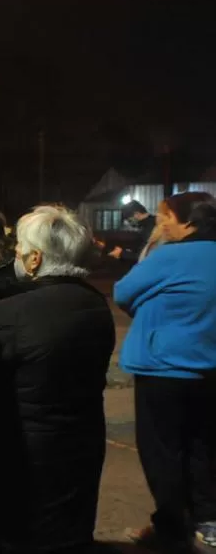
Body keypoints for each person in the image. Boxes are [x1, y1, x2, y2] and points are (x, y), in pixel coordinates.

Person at [0, 205, 115, 554]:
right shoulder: (94, 303)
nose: (14, 257)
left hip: (18, 458)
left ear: (35, 261)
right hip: (80, 444)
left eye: (19, 252)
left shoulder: (6, 315)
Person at [115, 192, 216, 553]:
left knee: (163, 453)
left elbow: (123, 292)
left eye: (165, 216)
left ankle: (172, 529)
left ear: (188, 221)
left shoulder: (169, 256)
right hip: (209, 369)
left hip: (163, 368)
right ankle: (208, 521)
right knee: (203, 447)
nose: (160, 223)